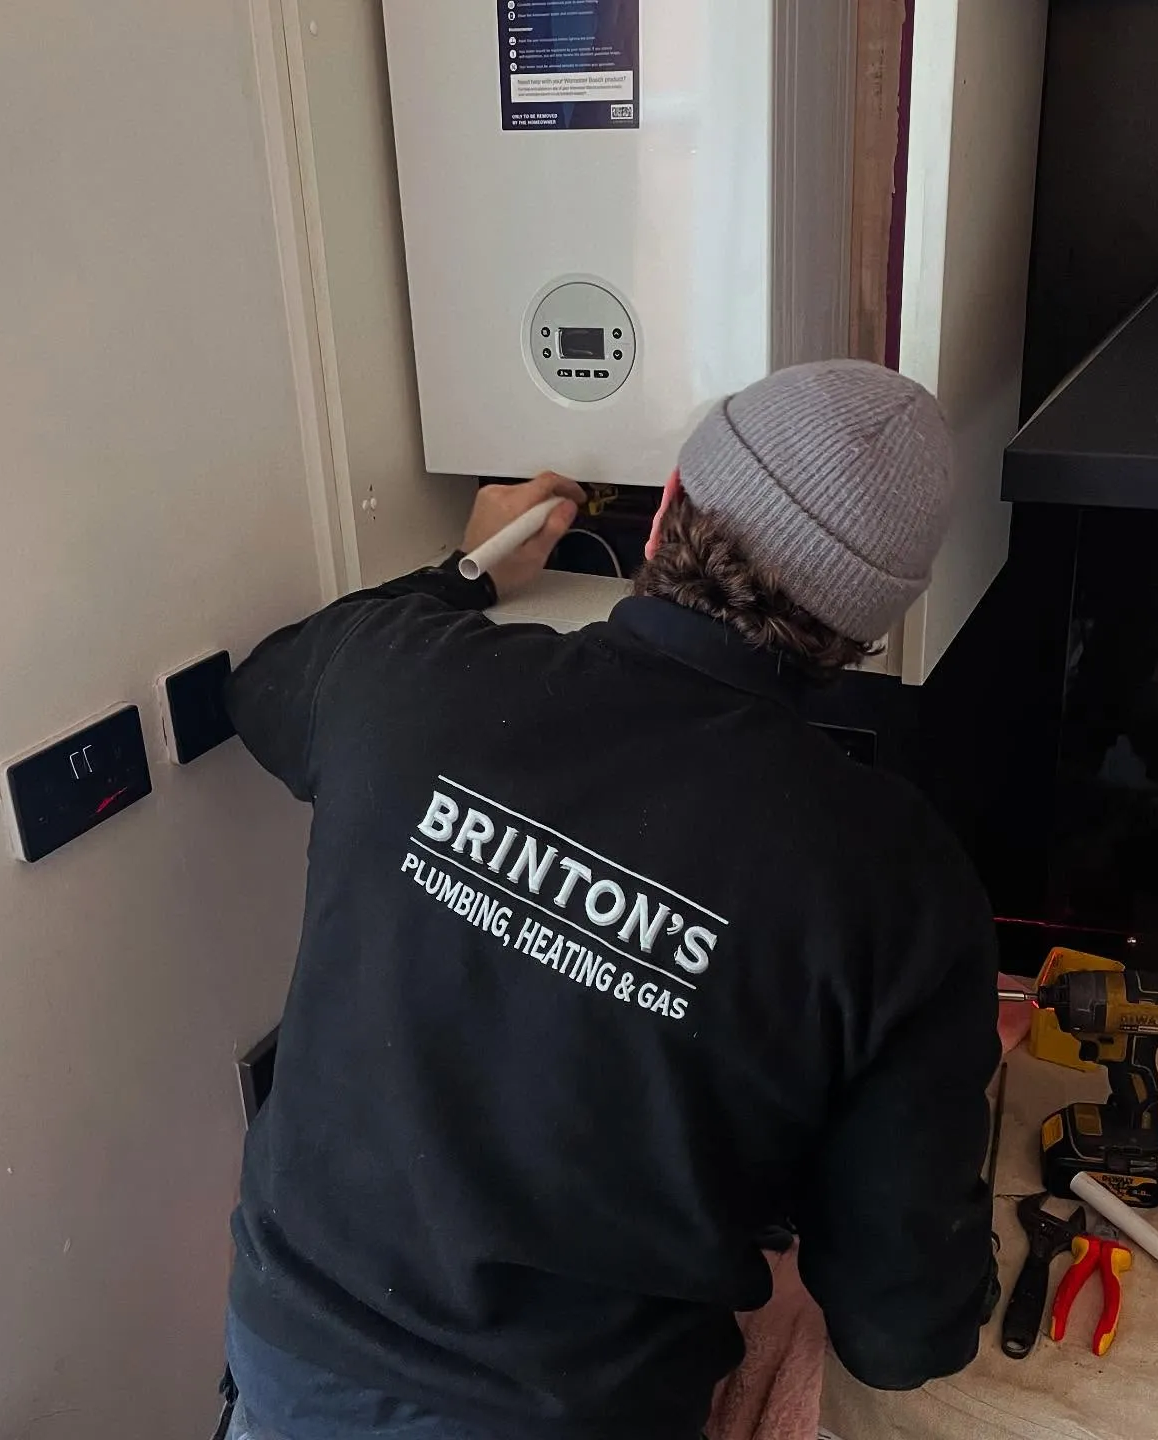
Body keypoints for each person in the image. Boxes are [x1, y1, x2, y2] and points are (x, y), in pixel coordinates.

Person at [223, 360, 999, 1440]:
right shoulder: (896, 884)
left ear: (669, 504)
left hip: (293, 1365)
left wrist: (469, 567)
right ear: (864, 633)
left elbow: (262, 685)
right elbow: (903, 1331)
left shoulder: (403, 677)